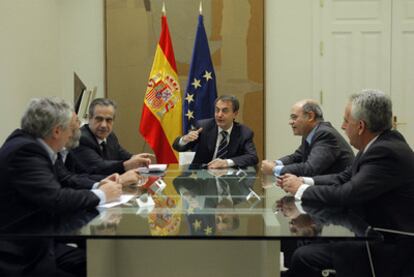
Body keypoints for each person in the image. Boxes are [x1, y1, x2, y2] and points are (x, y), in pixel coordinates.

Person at [279, 89, 414, 276]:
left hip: (387, 244)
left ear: (360, 126)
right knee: (300, 239)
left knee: (304, 255)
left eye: (345, 121)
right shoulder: (378, 144)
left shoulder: (385, 152)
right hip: (367, 230)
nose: (342, 126)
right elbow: (343, 177)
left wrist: (300, 189)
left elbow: (348, 193)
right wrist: (304, 181)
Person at [0, 97, 123, 276]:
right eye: (71, 128)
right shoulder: (26, 152)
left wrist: (99, 185)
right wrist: (101, 195)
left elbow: (65, 180)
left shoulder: (37, 146)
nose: (74, 133)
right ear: (57, 131)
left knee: (99, 261)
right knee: (98, 266)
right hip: (20, 254)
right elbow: (56, 199)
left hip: (40, 240)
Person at [262, 99, 354, 177]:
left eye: (294, 117)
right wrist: (276, 163)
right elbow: (296, 157)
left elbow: (310, 169)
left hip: (338, 193)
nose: (290, 122)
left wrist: (274, 170)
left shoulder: (325, 134)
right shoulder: (311, 133)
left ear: (310, 116)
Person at [71, 98, 154, 175]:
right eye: (99, 119)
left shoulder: (110, 136)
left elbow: (121, 153)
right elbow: (99, 167)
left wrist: (135, 158)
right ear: (90, 118)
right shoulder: (81, 138)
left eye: (108, 120)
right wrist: (127, 165)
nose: (104, 125)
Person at [172, 95, 258, 169]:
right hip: (202, 181)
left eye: (225, 111)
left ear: (235, 114)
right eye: (217, 110)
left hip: (230, 182)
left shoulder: (244, 132)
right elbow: (178, 147)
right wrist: (185, 139)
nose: (219, 115)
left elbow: (253, 157)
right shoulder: (204, 127)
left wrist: (226, 162)